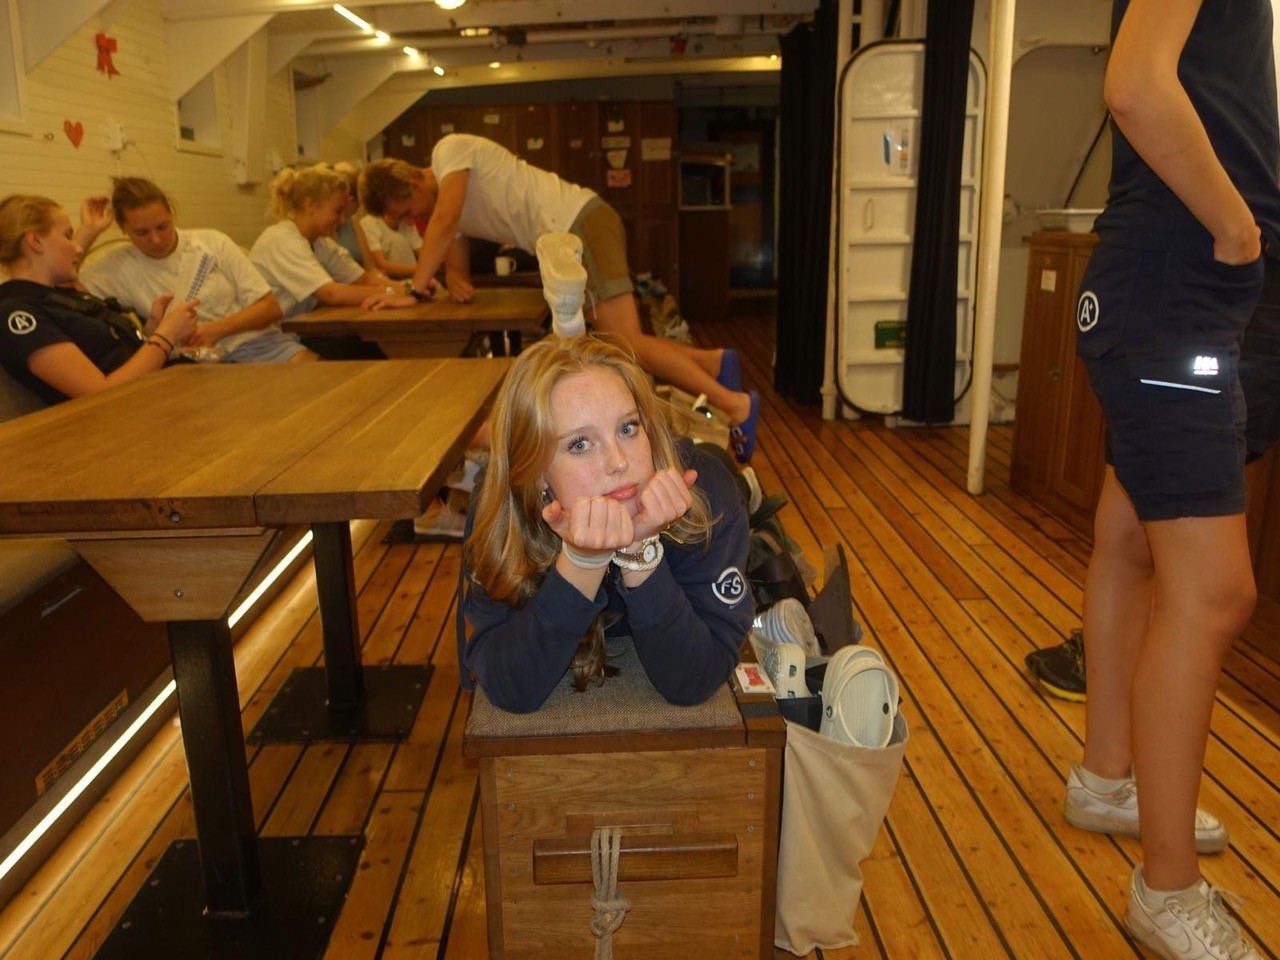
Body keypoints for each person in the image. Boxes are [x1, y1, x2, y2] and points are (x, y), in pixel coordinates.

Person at [1067, 2, 1280, 958]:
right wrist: (1236, 231)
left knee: (1128, 538)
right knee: (1215, 592)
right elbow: (1136, 86)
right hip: (1182, 285)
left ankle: (1107, 776)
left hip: (1174, 287)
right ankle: (1166, 889)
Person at [364, 139, 761, 462]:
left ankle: (735, 405)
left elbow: (443, 223)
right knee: (621, 341)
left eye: (408, 210)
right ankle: (713, 363)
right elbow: (453, 249)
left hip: (579, 225)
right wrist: (454, 276)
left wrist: (413, 292)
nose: (413, 220)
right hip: (572, 235)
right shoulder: (450, 198)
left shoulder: (449, 152)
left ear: (413, 183)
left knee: (625, 344)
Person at [459, 334, 753, 713]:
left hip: (714, 475)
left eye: (628, 428)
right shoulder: (500, 511)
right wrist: (582, 562)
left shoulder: (707, 494)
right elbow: (509, 688)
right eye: (580, 444)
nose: (618, 462)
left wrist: (640, 554)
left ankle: (753, 498)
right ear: (536, 473)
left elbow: (695, 680)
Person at [78, 177, 317, 363]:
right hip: (192, 365)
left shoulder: (211, 242)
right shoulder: (117, 268)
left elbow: (270, 308)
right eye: (142, 233)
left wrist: (213, 331)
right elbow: (60, 285)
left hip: (259, 346)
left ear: (172, 215)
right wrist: (88, 232)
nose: (156, 239)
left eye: (162, 227)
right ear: (123, 229)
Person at [0, 194, 198, 405]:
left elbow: (115, 358)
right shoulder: (17, 313)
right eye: (67, 236)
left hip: (154, 394)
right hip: (125, 412)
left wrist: (152, 329)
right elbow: (99, 393)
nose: (77, 249)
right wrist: (165, 336)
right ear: (35, 241)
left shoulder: (60, 296)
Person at [250, 164, 410, 359]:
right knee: (360, 357)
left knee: (369, 348)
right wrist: (392, 293)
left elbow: (363, 279)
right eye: (337, 211)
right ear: (310, 205)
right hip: (264, 339)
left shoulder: (320, 242)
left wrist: (410, 289)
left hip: (295, 332)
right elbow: (331, 294)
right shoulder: (282, 239)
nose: (342, 220)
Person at [357, 159, 422, 279]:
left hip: (416, 276)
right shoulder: (370, 224)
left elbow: (423, 253)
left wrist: (425, 271)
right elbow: (381, 264)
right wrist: (421, 269)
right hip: (396, 280)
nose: (412, 219)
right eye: (404, 214)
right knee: (395, 240)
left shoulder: (407, 223)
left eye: (407, 212)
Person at [331, 161, 374, 268]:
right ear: (349, 200)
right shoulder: (321, 228)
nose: (343, 221)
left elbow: (370, 267)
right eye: (339, 211)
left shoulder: (353, 220)